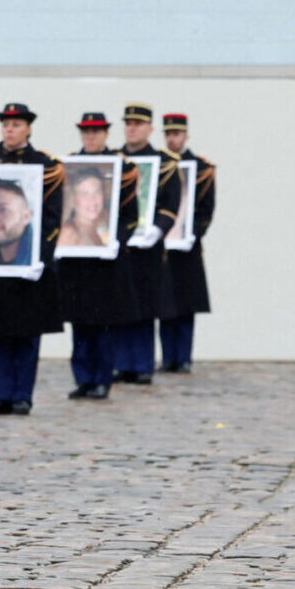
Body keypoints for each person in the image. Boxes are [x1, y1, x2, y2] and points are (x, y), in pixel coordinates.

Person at [0, 101, 63, 415]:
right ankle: (1, 393)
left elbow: (54, 218)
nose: (10, 129)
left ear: (28, 128)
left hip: (29, 267)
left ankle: (22, 395)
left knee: (26, 334)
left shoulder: (46, 165)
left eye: (17, 124)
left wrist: (40, 258)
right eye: (6, 124)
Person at [56, 112, 132, 399]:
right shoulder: (68, 167)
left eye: (96, 131)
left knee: (103, 324)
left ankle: (102, 379)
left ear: (106, 134)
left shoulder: (121, 168)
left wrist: (116, 241)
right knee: (79, 324)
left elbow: (130, 216)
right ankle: (83, 378)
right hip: (75, 262)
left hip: (105, 265)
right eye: (86, 131)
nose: (91, 136)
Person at [112, 104, 182, 387]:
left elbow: (171, 203)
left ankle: (141, 365)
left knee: (143, 307)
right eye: (128, 123)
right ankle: (121, 363)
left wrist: (158, 229)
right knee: (119, 307)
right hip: (118, 245)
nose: (132, 128)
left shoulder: (164, 163)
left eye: (138, 124)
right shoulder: (113, 160)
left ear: (150, 128)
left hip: (147, 247)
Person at [158, 112, 216, 374]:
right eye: (168, 134)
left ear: (186, 136)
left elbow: (206, 209)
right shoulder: (160, 164)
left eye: (177, 134)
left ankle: (183, 357)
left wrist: (194, 233)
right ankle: (168, 357)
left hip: (187, 247)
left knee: (185, 304)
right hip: (163, 246)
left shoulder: (201, 168)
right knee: (165, 303)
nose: (172, 139)